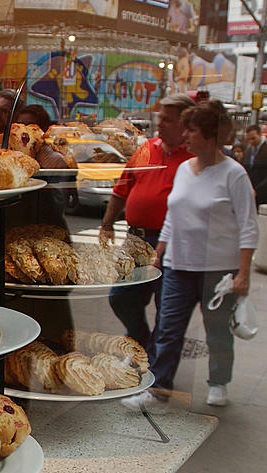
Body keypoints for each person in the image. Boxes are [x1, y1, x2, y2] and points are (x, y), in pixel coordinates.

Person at [122, 100, 258, 412]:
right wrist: (160, 252)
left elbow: (249, 226)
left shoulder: (233, 174)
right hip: (178, 266)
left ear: (210, 136)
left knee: (218, 331)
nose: (187, 136)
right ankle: (159, 389)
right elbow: (173, 215)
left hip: (218, 271)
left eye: (193, 131)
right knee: (168, 330)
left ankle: (218, 381)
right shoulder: (185, 169)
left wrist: (244, 274)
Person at [99, 93, 195, 353]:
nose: (160, 123)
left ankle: (157, 360)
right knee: (121, 297)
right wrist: (107, 223)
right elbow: (122, 188)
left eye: (167, 119)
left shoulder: (194, 157)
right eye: (160, 117)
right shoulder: (147, 148)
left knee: (167, 306)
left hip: (173, 243)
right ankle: (141, 337)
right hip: (136, 239)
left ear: (185, 124)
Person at [243, 123, 267, 206]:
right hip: (249, 191)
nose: (251, 141)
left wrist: (257, 189)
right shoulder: (248, 151)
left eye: (253, 138)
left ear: (260, 135)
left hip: (264, 193)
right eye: (248, 139)